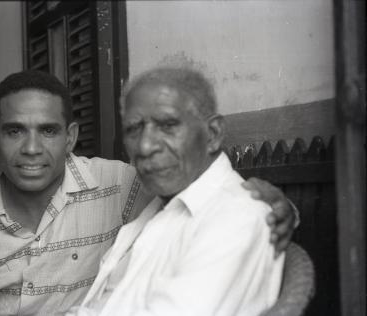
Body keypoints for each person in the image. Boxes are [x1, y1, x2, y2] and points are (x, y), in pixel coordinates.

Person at [0, 70, 295, 315]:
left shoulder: (124, 186)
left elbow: (214, 198)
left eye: (48, 131)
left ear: (70, 138)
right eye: (14, 131)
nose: (31, 149)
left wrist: (277, 205)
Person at [68, 67, 286, 316]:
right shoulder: (162, 206)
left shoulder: (235, 217)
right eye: (133, 129)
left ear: (212, 134)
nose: (146, 146)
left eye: (168, 125)